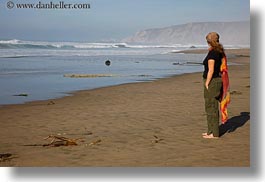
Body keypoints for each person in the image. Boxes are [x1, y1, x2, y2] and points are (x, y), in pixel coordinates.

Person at [202, 32, 226, 139]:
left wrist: (207, 82)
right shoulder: (218, 51)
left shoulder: (213, 53)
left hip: (212, 81)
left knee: (211, 106)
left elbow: (211, 70)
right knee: (209, 106)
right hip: (216, 80)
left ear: (209, 41)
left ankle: (214, 133)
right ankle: (210, 130)